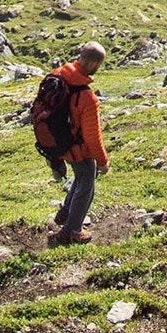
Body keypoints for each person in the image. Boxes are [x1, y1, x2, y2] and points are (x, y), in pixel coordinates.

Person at [50, 41, 108, 244]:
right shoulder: (86, 97)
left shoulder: (59, 74)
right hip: (77, 148)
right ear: (94, 65)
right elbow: (93, 136)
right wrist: (102, 161)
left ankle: (65, 212)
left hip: (59, 143)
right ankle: (72, 231)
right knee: (87, 183)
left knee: (82, 175)